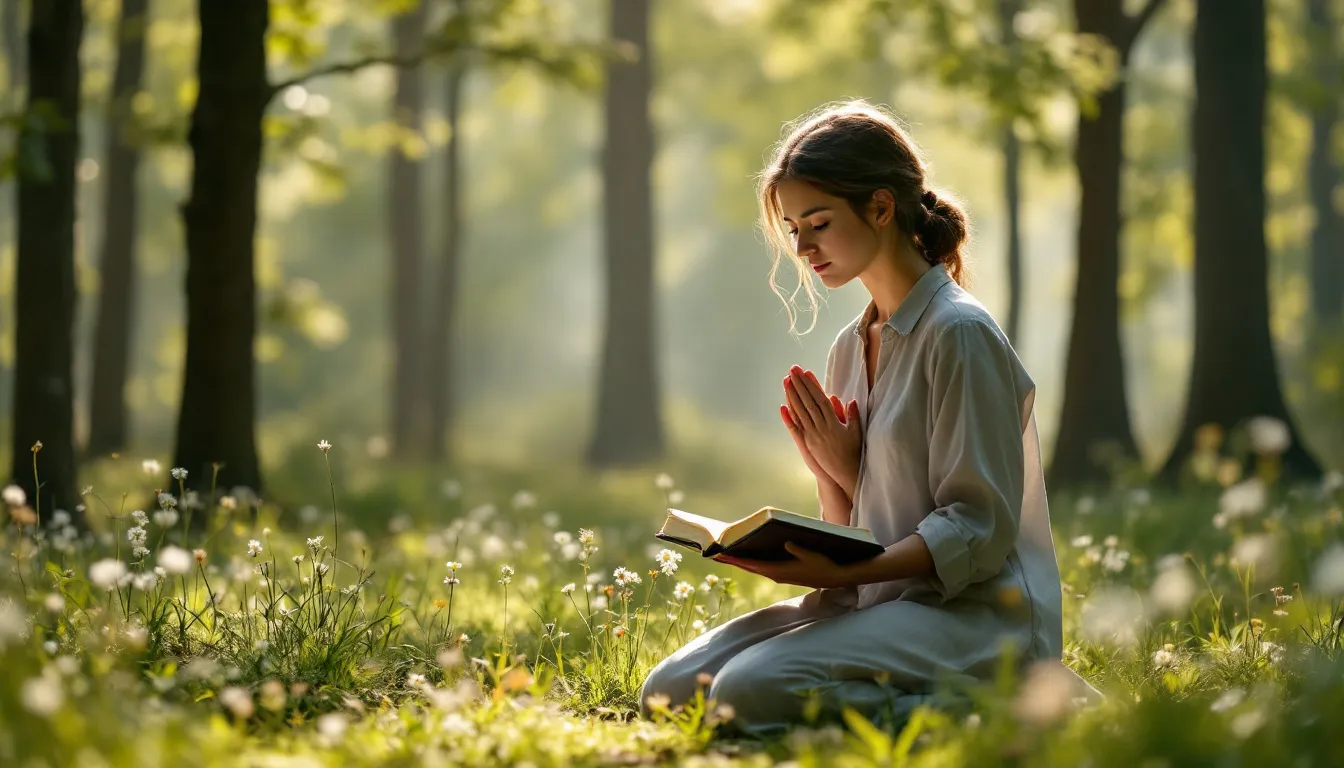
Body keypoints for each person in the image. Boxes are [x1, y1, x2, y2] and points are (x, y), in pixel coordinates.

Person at [638, 100, 1086, 738]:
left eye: (817, 222)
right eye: (793, 228)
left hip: (976, 616)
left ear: (880, 208)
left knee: (746, 692)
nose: (803, 246)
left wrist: (845, 573)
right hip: (881, 603)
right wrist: (838, 472)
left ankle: (1021, 704)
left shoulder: (959, 334)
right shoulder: (851, 344)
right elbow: (853, 527)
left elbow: (978, 529)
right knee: (672, 691)